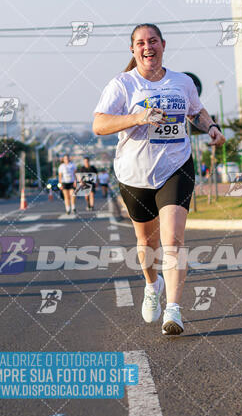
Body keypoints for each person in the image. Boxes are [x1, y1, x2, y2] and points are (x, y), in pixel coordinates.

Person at [93, 23, 225, 335]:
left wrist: (211, 128)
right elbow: (99, 125)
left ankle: (174, 311)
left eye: (153, 41)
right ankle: (153, 285)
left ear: (163, 45)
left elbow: (196, 111)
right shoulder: (122, 84)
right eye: (140, 42)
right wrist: (137, 117)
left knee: (174, 240)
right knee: (146, 242)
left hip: (176, 167)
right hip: (134, 173)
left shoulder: (181, 82)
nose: (147, 47)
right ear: (133, 50)